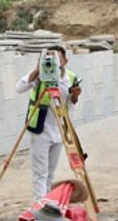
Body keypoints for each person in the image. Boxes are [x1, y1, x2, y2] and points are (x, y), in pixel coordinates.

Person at [15, 46, 82, 202]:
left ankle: (48, 201)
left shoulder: (71, 77)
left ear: (65, 61)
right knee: (40, 172)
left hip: (59, 129)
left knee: (51, 172)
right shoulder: (40, 75)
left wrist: (75, 96)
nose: (54, 63)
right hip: (40, 129)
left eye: (57, 59)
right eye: (49, 59)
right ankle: (40, 204)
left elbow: (70, 105)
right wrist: (37, 70)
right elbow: (19, 88)